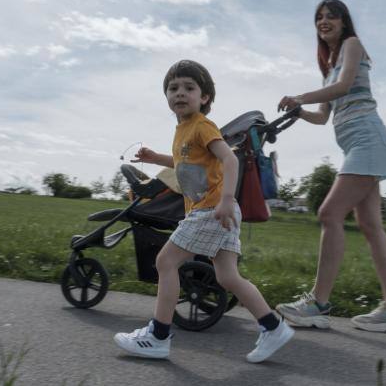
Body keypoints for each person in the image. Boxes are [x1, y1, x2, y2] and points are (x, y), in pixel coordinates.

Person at [113, 59, 295, 361]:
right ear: (167, 97)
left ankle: (158, 336)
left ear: (204, 97)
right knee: (227, 277)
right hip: (219, 211)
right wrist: (155, 157)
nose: (179, 93)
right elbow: (185, 164)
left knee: (165, 262)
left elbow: (231, 160)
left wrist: (224, 200)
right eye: (173, 88)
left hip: (212, 209)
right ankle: (273, 326)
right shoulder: (183, 130)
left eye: (189, 88)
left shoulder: (201, 125)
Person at [275, 0, 386, 334]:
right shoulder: (329, 66)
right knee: (370, 225)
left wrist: (300, 97)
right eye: (319, 17)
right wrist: (299, 112)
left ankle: (317, 303)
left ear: (344, 21)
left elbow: (346, 85)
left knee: (329, 214)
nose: (324, 21)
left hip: (368, 140)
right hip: (358, 145)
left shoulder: (352, 45)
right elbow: (323, 118)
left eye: (331, 16)